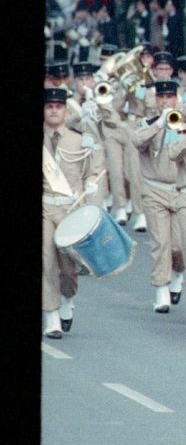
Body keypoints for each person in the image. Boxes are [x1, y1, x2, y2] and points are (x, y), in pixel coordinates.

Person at [42, 86, 106, 338]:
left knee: (68, 267)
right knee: (47, 262)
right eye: (49, 106)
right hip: (46, 206)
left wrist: (92, 185)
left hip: (71, 208)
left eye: (58, 107)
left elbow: (95, 169)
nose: (54, 110)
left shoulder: (79, 139)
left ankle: (67, 299)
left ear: (66, 111)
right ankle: (52, 316)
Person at [130, 80, 186, 315]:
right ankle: (161, 290)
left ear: (177, 100)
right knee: (161, 243)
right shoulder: (147, 124)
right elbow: (137, 141)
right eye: (161, 98)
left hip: (179, 191)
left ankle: (176, 275)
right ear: (156, 101)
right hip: (154, 190)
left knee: (179, 246)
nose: (166, 102)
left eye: (170, 98)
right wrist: (159, 123)